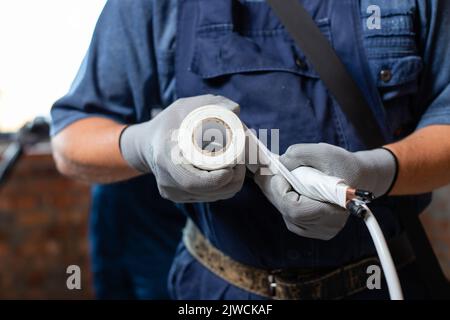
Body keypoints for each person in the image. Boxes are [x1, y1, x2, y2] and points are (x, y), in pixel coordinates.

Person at [51, 0, 450, 299]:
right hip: (219, 294)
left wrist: (377, 171)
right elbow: (71, 140)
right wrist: (144, 145)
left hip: (384, 281)